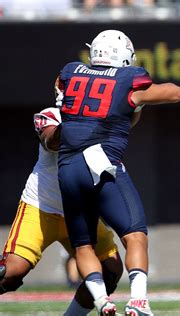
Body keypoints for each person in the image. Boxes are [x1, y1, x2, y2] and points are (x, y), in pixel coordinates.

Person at [53, 29, 180, 316]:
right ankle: (138, 300)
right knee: (135, 235)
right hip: (100, 163)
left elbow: (65, 89)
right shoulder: (128, 82)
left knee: (83, 245)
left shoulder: (71, 73)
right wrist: (138, 101)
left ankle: (102, 301)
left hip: (67, 168)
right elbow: (175, 93)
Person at [0, 107, 123, 316]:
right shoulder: (51, 115)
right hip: (41, 207)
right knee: (11, 273)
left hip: (79, 210)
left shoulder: (101, 117)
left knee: (110, 270)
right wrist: (82, 123)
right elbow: (52, 140)